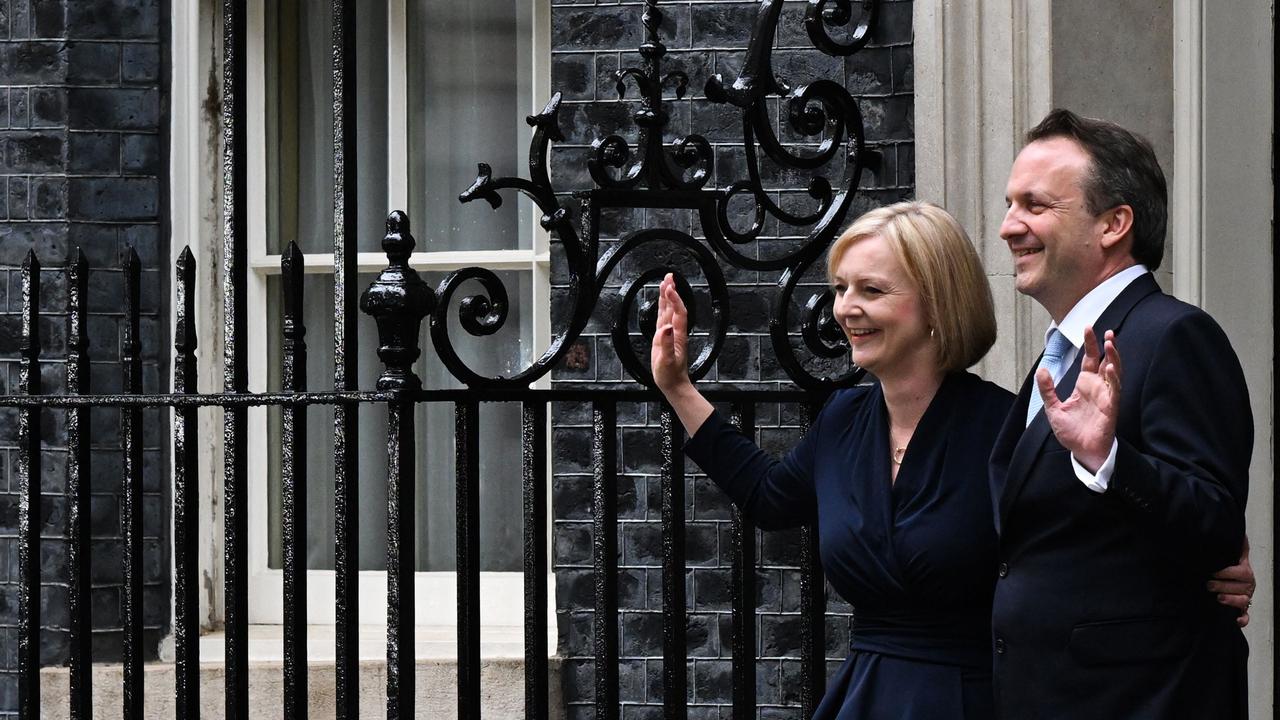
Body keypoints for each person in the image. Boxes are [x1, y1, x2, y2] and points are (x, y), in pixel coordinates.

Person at [653, 201, 1013, 718]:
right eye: (842, 288)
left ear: (938, 303)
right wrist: (677, 386)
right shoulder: (844, 419)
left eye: (871, 290)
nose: (845, 308)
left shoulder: (1004, 427)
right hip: (866, 694)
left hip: (972, 699)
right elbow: (770, 498)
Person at [990, 109, 1253, 718]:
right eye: (1009, 204)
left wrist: (1108, 459)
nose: (1008, 226)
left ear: (1114, 223)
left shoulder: (1175, 335)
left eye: (1035, 204)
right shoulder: (1060, 355)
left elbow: (1214, 518)